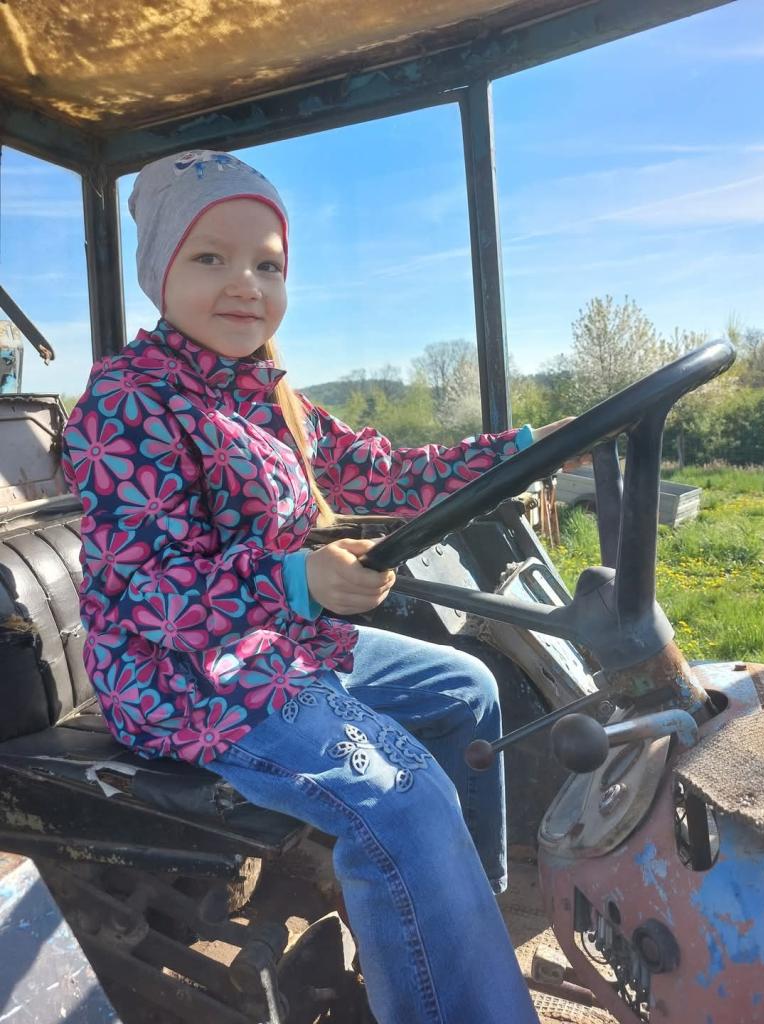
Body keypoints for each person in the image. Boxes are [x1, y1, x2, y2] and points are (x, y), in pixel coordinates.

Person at [62, 149, 560, 1024]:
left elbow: (385, 469)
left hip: (277, 644)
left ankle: (448, 925)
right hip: (180, 677)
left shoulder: (266, 393)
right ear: (159, 273)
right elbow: (148, 589)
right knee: (403, 796)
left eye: (268, 265)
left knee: (466, 688)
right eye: (210, 257)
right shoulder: (125, 402)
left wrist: (523, 450)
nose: (245, 284)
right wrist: (298, 580)